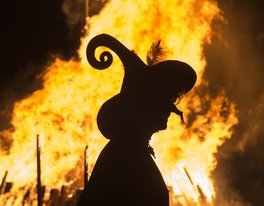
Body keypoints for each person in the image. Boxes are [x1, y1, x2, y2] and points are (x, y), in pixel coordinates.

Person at [77, 34, 197, 206]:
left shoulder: (126, 151)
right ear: (142, 110)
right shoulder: (126, 157)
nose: (169, 111)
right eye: (163, 103)